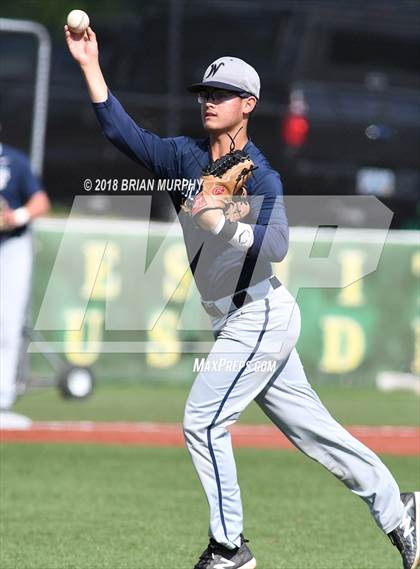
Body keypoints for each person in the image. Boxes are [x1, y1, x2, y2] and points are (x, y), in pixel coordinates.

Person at [64, 25, 418, 569]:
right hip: (235, 319)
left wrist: (225, 218)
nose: (208, 101)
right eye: (204, 93)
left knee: (203, 421)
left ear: (247, 105)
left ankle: (230, 549)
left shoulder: (263, 178)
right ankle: (403, 513)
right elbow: (121, 133)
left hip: (259, 314)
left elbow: (276, 245)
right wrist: (90, 63)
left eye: (220, 94)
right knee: (316, 434)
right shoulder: (185, 159)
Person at [0, 135, 50, 429]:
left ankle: (2, 400)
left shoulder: (13, 160)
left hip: (11, 246)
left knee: (7, 324)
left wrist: (15, 216)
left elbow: (40, 201)